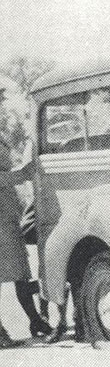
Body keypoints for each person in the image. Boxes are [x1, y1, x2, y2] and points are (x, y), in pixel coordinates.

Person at [0, 137, 50, 348]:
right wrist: (28, 168)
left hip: (9, 229)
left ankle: (35, 320)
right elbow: (15, 177)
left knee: (21, 278)